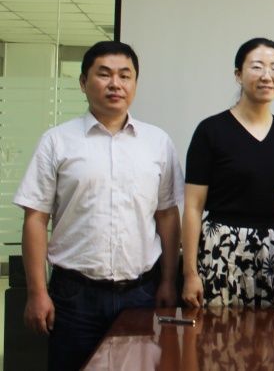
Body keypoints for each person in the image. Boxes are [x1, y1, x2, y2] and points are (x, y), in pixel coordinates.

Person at [14, 40, 183, 370]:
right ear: (83, 82)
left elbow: (166, 215)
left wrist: (167, 280)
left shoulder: (157, 142)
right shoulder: (57, 141)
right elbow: (35, 218)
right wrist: (37, 292)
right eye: (104, 74)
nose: (115, 84)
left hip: (140, 294)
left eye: (125, 75)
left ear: (135, 83)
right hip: (74, 297)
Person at [181, 38, 274, 307]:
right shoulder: (210, 131)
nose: (267, 76)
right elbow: (192, 207)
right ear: (238, 75)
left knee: (273, 331)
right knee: (219, 330)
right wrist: (189, 273)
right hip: (220, 249)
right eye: (257, 67)